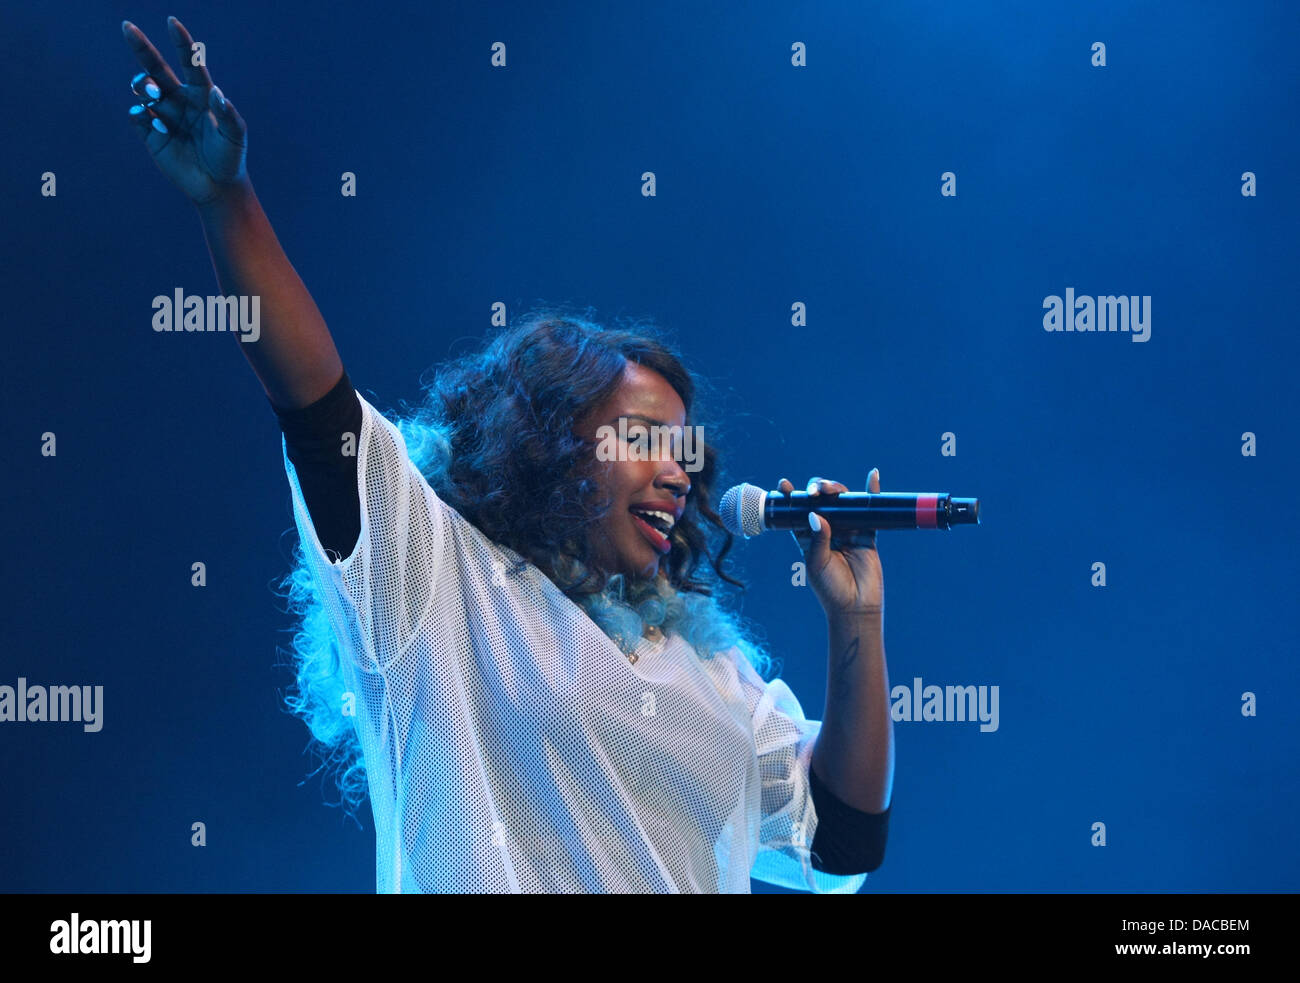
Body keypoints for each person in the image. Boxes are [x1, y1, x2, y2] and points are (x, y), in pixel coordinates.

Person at [121, 15, 894, 893]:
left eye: (685, 450)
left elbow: (842, 841)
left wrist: (855, 620)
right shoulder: (442, 585)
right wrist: (230, 203)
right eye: (643, 440)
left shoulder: (708, 668)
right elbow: (314, 404)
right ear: (556, 447)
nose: (679, 472)